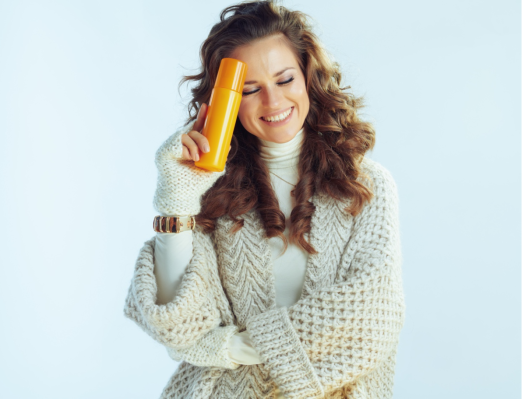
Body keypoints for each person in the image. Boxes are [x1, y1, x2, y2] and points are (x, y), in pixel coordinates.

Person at [124, 1, 405, 398]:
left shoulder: (365, 186)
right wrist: (178, 200)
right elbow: (176, 322)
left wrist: (234, 346)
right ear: (226, 102)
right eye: (250, 89)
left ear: (309, 77)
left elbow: (372, 317)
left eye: (285, 79)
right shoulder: (210, 195)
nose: (272, 103)